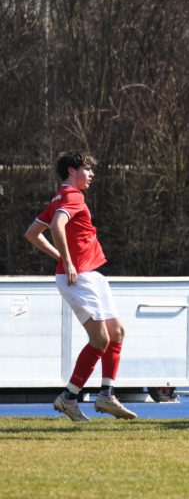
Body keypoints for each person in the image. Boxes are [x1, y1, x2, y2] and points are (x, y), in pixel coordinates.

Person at [24, 151, 137, 422]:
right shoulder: (72, 197)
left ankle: (106, 394)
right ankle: (69, 398)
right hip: (79, 277)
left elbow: (31, 233)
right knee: (100, 339)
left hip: (91, 275)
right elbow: (56, 226)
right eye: (87, 169)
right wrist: (69, 262)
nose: (92, 174)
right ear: (72, 171)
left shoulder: (59, 198)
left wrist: (63, 258)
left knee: (117, 332)